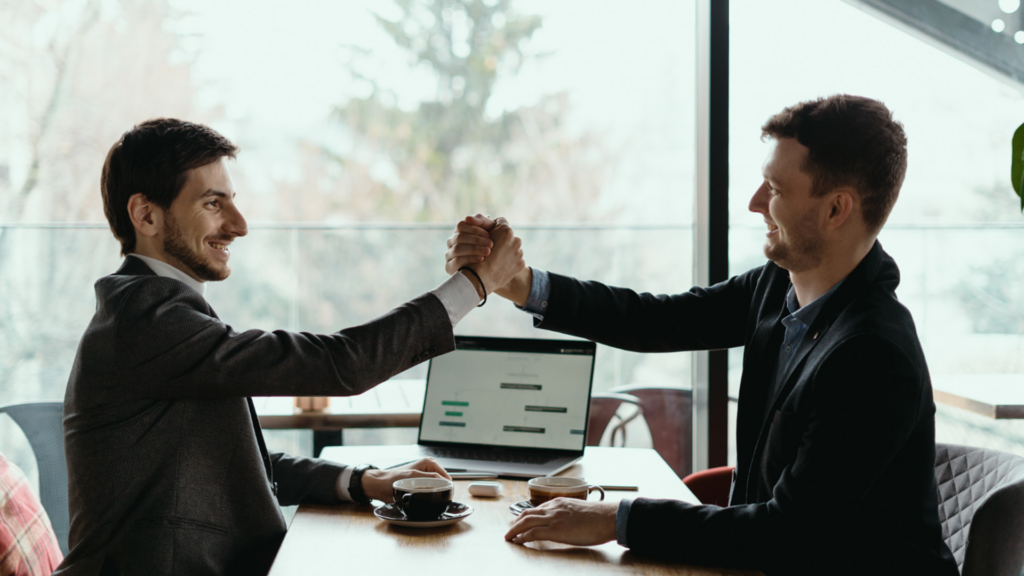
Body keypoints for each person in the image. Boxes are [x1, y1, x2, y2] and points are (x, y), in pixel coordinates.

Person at [445, 95, 959, 575]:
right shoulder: (778, 286)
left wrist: (615, 518)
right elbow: (651, 320)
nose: (755, 202)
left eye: (776, 189)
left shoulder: (873, 356)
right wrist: (520, 283)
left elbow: (787, 532)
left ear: (835, 209)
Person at [56, 118, 524, 575]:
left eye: (233, 201)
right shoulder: (145, 318)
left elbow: (238, 465)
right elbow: (342, 363)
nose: (239, 225)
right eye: (213, 203)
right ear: (145, 215)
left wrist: (361, 481)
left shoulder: (158, 309)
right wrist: (474, 285)